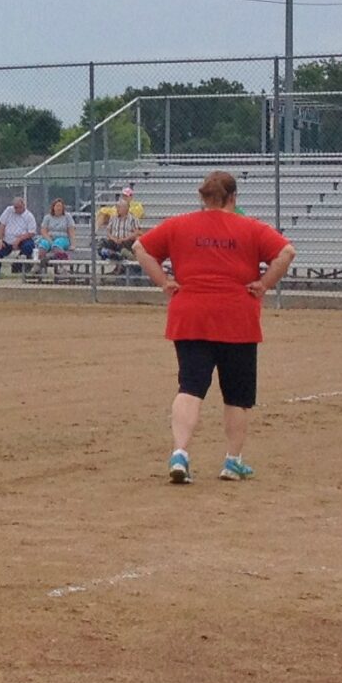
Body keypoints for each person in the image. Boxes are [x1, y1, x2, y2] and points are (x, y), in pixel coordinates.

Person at [133, 170, 296, 484]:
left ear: (202, 198)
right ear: (233, 198)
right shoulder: (250, 228)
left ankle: (180, 452)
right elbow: (287, 252)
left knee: (190, 387)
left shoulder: (179, 224)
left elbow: (141, 248)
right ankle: (232, 461)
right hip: (237, 317)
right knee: (236, 394)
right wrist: (264, 284)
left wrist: (163, 281)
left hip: (191, 314)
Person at [0, 195, 37, 284]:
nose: (16, 209)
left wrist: (19, 239)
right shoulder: (9, 211)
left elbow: (31, 232)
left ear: (23, 206)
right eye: (15, 207)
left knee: (29, 246)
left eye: (19, 207)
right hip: (8, 240)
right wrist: (0, 239)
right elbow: (2, 225)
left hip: (22, 240)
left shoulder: (29, 216)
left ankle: (18, 264)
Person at [96, 187, 144, 262]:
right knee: (102, 243)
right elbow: (108, 231)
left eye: (119, 208)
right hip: (114, 240)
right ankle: (114, 254)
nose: (117, 209)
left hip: (125, 241)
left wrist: (124, 239)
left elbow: (137, 232)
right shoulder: (113, 218)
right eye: (117, 207)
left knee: (124, 247)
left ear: (126, 208)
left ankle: (118, 255)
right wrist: (113, 238)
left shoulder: (133, 218)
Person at [33, 198, 74, 279]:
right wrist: (50, 241)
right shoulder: (47, 217)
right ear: (53, 207)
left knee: (57, 245)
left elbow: (71, 231)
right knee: (43, 245)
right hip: (50, 237)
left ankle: (64, 267)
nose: (58, 208)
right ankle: (39, 266)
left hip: (63, 238)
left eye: (60, 206)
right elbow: (43, 231)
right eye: (57, 206)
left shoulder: (67, 217)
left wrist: (73, 244)